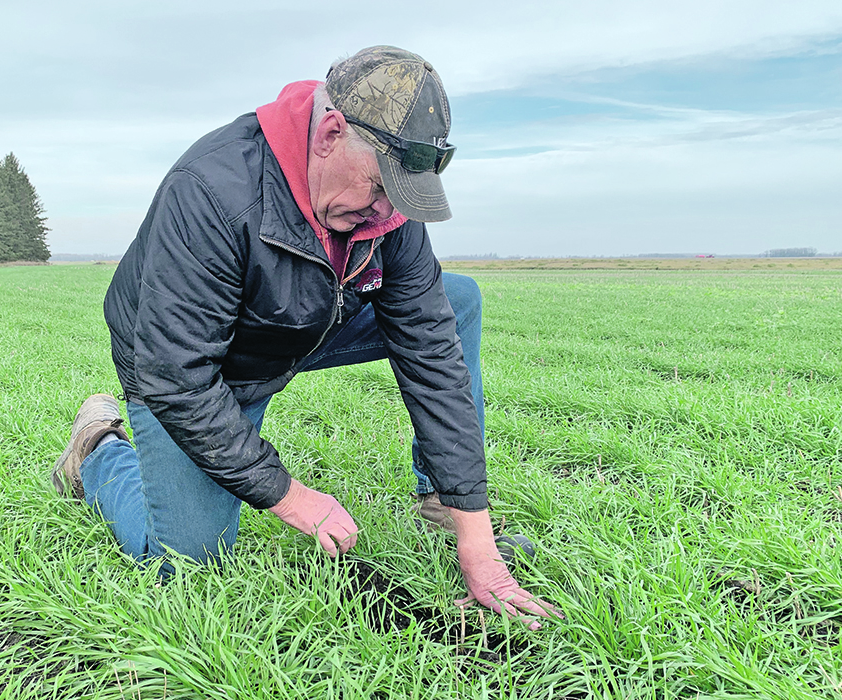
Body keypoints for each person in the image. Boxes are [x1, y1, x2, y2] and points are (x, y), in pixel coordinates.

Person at [52, 46, 561, 629]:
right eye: (377, 186)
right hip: (193, 363)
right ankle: (99, 453)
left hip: (297, 323)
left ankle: (438, 503)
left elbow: (432, 353)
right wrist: (290, 497)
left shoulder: (384, 212)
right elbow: (179, 374)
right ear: (330, 133)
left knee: (454, 299)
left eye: (400, 195)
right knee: (189, 563)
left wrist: (475, 531)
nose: (385, 212)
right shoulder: (213, 190)